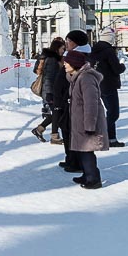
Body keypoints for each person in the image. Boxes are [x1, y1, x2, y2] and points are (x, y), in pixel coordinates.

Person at [63, 49, 108, 189]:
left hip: (87, 121)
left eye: (67, 62)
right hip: (80, 120)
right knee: (81, 150)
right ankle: (87, 174)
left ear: (74, 63)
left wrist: (90, 125)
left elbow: (91, 103)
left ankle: (93, 178)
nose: (64, 64)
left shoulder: (86, 78)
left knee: (87, 150)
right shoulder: (76, 77)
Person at [53, 30, 92, 173]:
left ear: (75, 43)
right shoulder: (75, 55)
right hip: (66, 98)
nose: (66, 43)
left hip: (71, 99)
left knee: (71, 131)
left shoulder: (79, 56)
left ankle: (75, 161)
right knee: (67, 130)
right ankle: (71, 158)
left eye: (68, 41)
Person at [90, 30, 126, 147]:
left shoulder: (94, 50)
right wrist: (122, 65)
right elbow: (117, 69)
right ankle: (102, 134)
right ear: (109, 38)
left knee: (109, 111)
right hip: (109, 84)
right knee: (113, 113)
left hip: (97, 84)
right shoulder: (109, 51)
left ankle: (111, 139)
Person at [31, 38, 65, 144]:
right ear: (57, 48)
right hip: (50, 91)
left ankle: (39, 129)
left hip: (51, 90)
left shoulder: (54, 59)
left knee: (56, 113)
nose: (63, 51)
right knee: (56, 112)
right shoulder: (52, 60)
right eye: (62, 48)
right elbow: (49, 78)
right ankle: (54, 137)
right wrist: (50, 93)